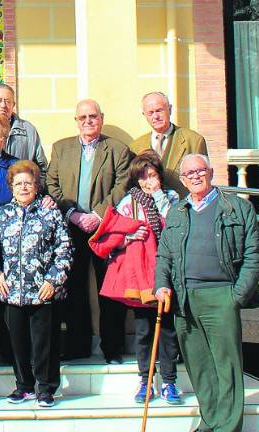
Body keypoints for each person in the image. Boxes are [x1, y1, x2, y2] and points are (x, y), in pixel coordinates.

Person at [155, 154, 259, 432]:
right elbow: (164, 256)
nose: (195, 176)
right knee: (199, 366)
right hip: (185, 298)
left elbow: (255, 255)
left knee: (226, 366)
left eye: (200, 170)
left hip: (222, 295)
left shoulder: (237, 208)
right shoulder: (177, 212)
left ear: (211, 172)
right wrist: (161, 284)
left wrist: (236, 296)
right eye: (189, 173)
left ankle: (227, 426)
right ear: (182, 180)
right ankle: (211, 420)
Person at [88, 150, 182, 404]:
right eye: (142, 177)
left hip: (167, 272)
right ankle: (145, 381)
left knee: (168, 330)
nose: (147, 182)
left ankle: (170, 381)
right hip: (140, 276)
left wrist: (159, 196)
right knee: (143, 330)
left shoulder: (172, 197)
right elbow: (112, 234)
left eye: (152, 175)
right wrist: (129, 237)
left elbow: (176, 223)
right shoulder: (128, 202)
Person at [46, 99, 132, 362]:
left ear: (101, 118)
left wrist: (97, 215)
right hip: (71, 227)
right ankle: (77, 346)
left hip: (105, 228)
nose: (88, 121)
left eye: (92, 116)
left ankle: (112, 348)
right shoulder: (61, 148)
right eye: (82, 117)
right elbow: (52, 184)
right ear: (76, 121)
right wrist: (73, 214)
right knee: (73, 287)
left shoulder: (118, 149)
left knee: (109, 288)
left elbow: (122, 185)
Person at [0, 160, 72, 408]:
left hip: (43, 291)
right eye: (18, 184)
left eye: (28, 183)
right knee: (17, 344)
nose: (23, 187)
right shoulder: (3, 214)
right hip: (12, 291)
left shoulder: (50, 213)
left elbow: (65, 249)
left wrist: (53, 280)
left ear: (37, 186)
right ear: (11, 187)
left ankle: (46, 388)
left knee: (44, 344)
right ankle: (24, 386)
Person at [129, 91, 207, 194]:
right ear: (144, 115)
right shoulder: (135, 147)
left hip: (184, 202)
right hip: (148, 203)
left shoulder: (193, 140)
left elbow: (203, 180)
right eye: (151, 113)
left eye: (159, 110)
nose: (156, 116)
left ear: (169, 109)